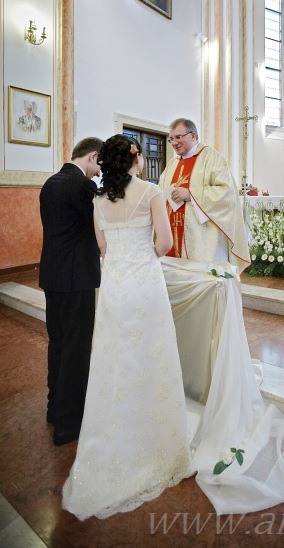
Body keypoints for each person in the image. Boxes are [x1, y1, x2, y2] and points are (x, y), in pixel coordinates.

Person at [62, 135, 190, 520]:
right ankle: (156, 437)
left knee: (116, 360)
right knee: (151, 357)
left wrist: (125, 261)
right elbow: (165, 243)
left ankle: (116, 432)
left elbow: (103, 248)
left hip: (115, 287)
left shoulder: (98, 199)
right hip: (145, 284)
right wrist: (143, 260)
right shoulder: (151, 191)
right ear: (136, 158)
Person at [39, 136, 103, 446]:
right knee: (77, 350)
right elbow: (96, 228)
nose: (97, 174)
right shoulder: (82, 187)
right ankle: (69, 424)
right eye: (98, 167)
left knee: (59, 343)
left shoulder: (50, 183)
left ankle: (54, 408)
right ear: (92, 157)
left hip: (53, 276)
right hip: (77, 279)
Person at [158, 118, 250, 272]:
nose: (174, 143)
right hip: (173, 231)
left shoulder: (212, 158)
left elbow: (226, 193)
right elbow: (161, 191)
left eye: (178, 137)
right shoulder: (172, 164)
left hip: (202, 236)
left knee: (203, 278)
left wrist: (191, 194)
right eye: (171, 139)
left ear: (193, 136)